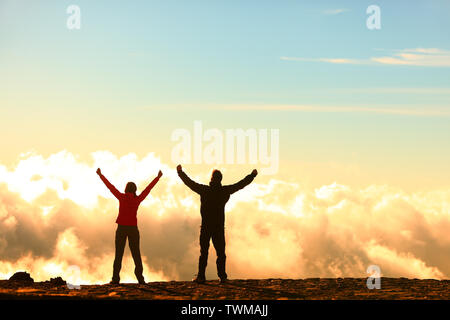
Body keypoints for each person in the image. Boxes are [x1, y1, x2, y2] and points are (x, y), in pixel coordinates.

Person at [177, 164, 257, 284]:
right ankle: (223, 277)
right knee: (221, 253)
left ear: (211, 179)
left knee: (204, 252)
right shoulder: (225, 191)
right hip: (218, 227)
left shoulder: (204, 190)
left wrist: (180, 172)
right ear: (220, 179)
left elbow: (190, 183)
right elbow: (240, 184)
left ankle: (201, 277)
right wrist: (252, 176)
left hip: (206, 227)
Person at [96, 168, 162, 285]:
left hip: (121, 228)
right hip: (133, 229)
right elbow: (148, 189)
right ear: (135, 190)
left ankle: (115, 279)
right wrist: (157, 178)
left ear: (126, 189)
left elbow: (110, 187)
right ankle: (140, 279)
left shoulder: (122, 197)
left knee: (118, 254)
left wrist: (101, 175)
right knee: (136, 254)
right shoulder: (137, 199)